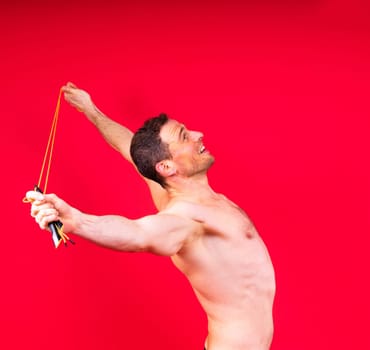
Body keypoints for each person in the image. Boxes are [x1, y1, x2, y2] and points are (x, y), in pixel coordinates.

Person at [26, 82, 276, 350]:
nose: (198, 134)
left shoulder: (167, 184)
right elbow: (139, 234)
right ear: (167, 166)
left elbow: (126, 145)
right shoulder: (188, 219)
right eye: (184, 136)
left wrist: (91, 110)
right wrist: (79, 221)